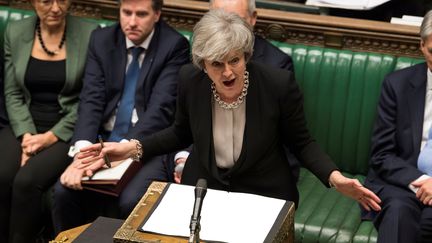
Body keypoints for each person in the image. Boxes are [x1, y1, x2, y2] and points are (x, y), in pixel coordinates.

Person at [77, 9, 381, 213]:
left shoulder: (277, 83)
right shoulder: (190, 81)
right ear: (203, 64)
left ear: (245, 55)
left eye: (234, 60)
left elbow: (301, 142)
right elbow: (180, 132)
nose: (228, 73)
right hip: (204, 187)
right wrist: (133, 147)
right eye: (217, 64)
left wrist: (334, 176)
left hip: (265, 192)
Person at [52, 0, 190, 233]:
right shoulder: (102, 39)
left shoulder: (174, 45)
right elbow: (91, 99)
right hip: (103, 138)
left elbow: (160, 110)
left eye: (141, 14)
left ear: (157, 14)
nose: (132, 22)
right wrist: (82, 153)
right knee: (64, 191)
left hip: (147, 144)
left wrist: (125, 150)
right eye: (126, 13)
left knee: (131, 200)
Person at [0, 0, 98, 242]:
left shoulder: (90, 33)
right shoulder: (16, 31)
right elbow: (12, 93)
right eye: (46, 1)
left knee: (26, 181)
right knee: (2, 175)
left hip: (65, 127)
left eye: (62, 0)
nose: (56, 8)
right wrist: (27, 138)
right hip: (24, 123)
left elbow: (90, 97)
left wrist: (48, 138)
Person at [170, 0, 297, 183]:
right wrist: (183, 157)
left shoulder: (276, 68)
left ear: (253, 19)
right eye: (218, 19)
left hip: (257, 176)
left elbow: (288, 140)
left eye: (235, 19)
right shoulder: (198, 67)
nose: (226, 27)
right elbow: (186, 126)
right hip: (205, 168)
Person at [363, 10, 432, 243]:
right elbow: (382, 155)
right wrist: (424, 182)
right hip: (403, 183)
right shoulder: (397, 85)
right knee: (399, 215)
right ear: (422, 46)